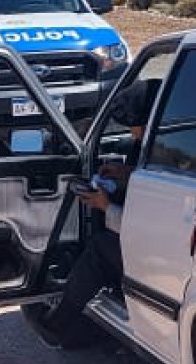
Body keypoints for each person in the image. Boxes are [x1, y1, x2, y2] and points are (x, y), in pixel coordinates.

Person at [32, 78, 159, 348]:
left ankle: (56, 325)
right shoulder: (170, 144)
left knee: (100, 249)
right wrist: (124, 175)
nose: (133, 135)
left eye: (134, 127)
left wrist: (106, 207)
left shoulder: (161, 148)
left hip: (158, 256)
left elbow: (146, 226)